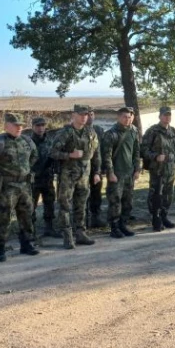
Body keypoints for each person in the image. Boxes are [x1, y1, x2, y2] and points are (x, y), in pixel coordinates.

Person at [0, 113, 39, 261]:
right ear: (6, 126)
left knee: (26, 216)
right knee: (4, 218)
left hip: (24, 185)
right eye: (15, 125)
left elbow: (34, 156)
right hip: (6, 187)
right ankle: (0, 248)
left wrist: (25, 170)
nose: (19, 128)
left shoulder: (27, 141)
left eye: (21, 125)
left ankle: (26, 244)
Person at [49, 104, 101, 249]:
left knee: (81, 205)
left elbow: (96, 154)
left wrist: (96, 172)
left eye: (87, 114)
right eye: (81, 114)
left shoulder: (91, 132)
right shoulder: (65, 132)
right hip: (68, 176)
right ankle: (67, 236)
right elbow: (52, 152)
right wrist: (69, 155)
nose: (84, 117)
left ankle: (80, 233)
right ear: (74, 115)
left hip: (85, 175)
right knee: (65, 206)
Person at [141, 106, 175, 231]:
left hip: (170, 169)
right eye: (165, 115)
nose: (167, 117)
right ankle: (155, 218)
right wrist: (155, 156)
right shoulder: (153, 131)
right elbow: (143, 149)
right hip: (158, 169)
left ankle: (164, 216)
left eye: (169, 115)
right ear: (159, 116)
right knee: (156, 195)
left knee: (168, 195)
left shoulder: (174, 131)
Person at [101, 107, 141, 238]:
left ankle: (123, 224)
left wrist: (137, 169)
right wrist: (110, 173)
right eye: (124, 117)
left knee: (128, 201)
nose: (127, 119)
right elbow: (106, 156)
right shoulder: (111, 134)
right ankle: (114, 227)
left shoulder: (133, 131)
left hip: (129, 173)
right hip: (116, 174)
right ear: (118, 117)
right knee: (115, 201)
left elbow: (136, 152)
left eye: (129, 117)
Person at [29, 117, 58, 239]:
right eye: (38, 126)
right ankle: (31, 230)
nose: (41, 128)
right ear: (33, 127)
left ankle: (49, 228)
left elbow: (54, 155)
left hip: (47, 177)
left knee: (49, 202)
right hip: (33, 179)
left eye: (42, 125)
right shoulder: (28, 142)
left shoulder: (50, 141)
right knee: (31, 205)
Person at [86, 109, 106, 228]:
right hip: (80, 169)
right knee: (81, 195)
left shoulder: (99, 130)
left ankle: (96, 217)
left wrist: (101, 168)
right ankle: (83, 220)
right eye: (87, 114)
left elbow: (102, 150)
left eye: (91, 114)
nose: (89, 117)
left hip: (96, 168)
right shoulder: (76, 130)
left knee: (96, 193)